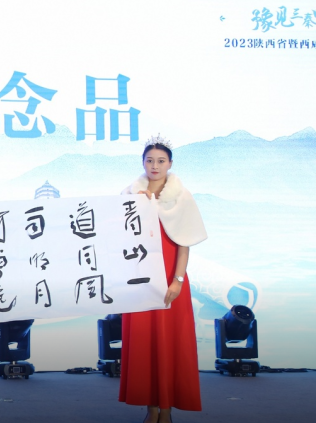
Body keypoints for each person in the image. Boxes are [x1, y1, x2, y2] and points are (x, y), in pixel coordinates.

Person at [118, 135, 207, 423]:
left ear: (170, 163)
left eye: (160, 161)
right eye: (149, 160)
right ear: (142, 163)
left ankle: (166, 408)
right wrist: (139, 206)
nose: (154, 166)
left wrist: (178, 279)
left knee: (170, 341)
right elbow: (115, 234)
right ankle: (151, 408)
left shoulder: (181, 196)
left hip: (170, 274)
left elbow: (184, 243)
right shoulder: (129, 193)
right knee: (144, 343)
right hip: (140, 277)